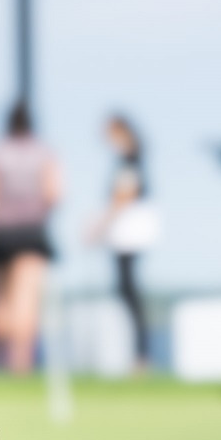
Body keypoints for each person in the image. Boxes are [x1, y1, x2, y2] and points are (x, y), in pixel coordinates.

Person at [0, 104, 61, 374]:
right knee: (26, 299)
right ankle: (20, 368)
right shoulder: (43, 153)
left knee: (0, 299)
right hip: (31, 231)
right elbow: (53, 193)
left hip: (1, 231)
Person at [84, 113, 156, 372]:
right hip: (127, 234)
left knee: (130, 294)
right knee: (127, 293)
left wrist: (98, 227)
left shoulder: (129, 159)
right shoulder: (131, 158)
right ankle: (140, 356)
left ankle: (142, 357)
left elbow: (123, 196)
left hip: (129, 234)